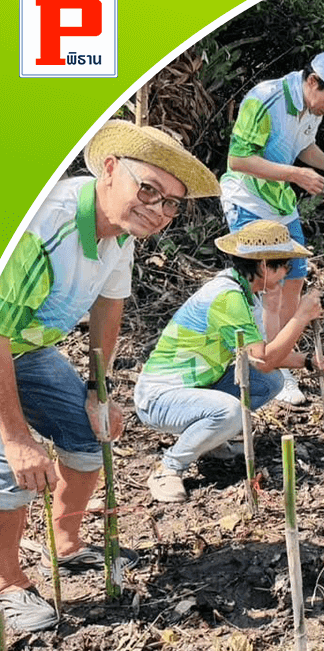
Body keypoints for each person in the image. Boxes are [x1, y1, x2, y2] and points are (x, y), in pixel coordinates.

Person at [0, 120, 220, 631]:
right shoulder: (42, 227)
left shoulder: (120, 233)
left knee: (87, 434)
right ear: (111, 169)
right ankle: (7, 582)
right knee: (11, 465)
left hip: (27, 346)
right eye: (149, 189)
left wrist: (100, 391)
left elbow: (108, 306)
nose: (159, 210)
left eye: (171, 203)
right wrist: (15, 435)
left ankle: (69, 543)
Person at [135, 220, 324, 503]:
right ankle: (169, 467)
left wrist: (308, 361)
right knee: (230, 411)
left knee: (270, 382)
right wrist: (301, 317)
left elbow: (261, 357)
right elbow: (264, 358)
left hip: (198, 386)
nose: (286, 274)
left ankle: (209, 440)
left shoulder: (245, 293)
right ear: (265, 265)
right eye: (284, 266)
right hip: (159, 398)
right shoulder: (228, 297)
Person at [220, 50, 324, 405]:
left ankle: (280, 357)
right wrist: (294, 175)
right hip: (249, 201)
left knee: (295, 276)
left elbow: (303, 146)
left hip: (281, 204)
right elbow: (238, 159)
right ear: (313, 82)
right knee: (270, 286)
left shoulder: (310, 107)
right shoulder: (265, 99)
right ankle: (270, 367)